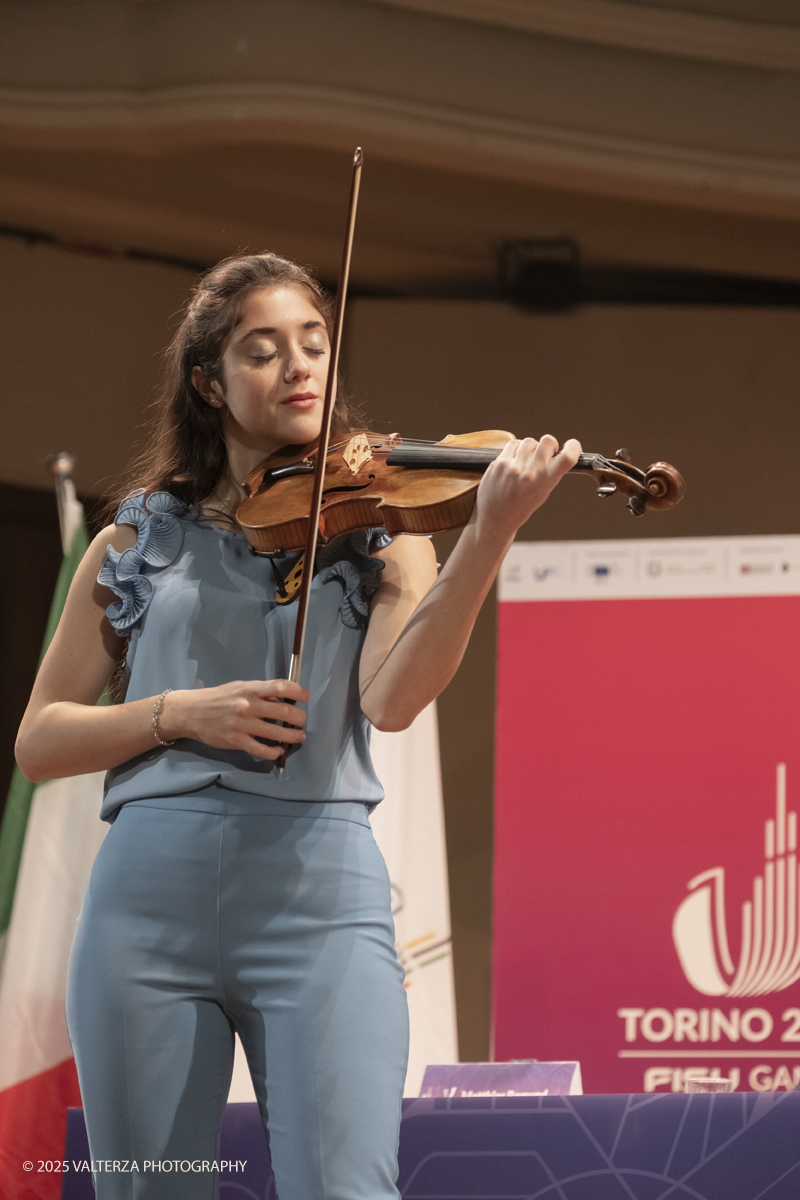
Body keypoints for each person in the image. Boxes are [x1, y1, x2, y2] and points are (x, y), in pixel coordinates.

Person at [15, 252, 581, 1200]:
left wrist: (486, 535)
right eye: (265, 350)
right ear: (210, 381)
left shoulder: (384, 522)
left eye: (314, 344)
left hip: (320, 896)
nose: (300, 367)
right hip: (147, 906)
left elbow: (394, 702)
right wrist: (178, 713)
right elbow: (39, 742)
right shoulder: (135, 539)